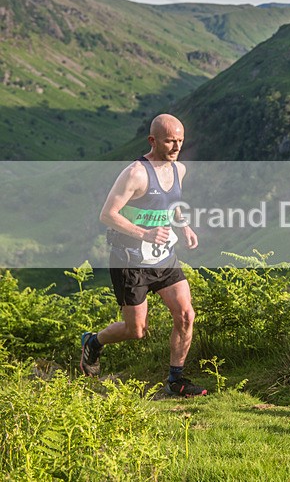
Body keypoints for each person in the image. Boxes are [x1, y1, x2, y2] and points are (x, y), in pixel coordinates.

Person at [80, 114, 206, 397]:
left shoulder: (178, 170)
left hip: (163, 258)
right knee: (135, 330)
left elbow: (173, 203)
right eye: (170, 141)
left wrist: (184, 225)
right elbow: (107, 215)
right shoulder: (135, 173)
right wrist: (145, 233)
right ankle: (93, 343)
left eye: (180, 141)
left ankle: (176, 380)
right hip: (130, 260)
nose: (176, 147)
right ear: (153, 140)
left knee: (186, 315)